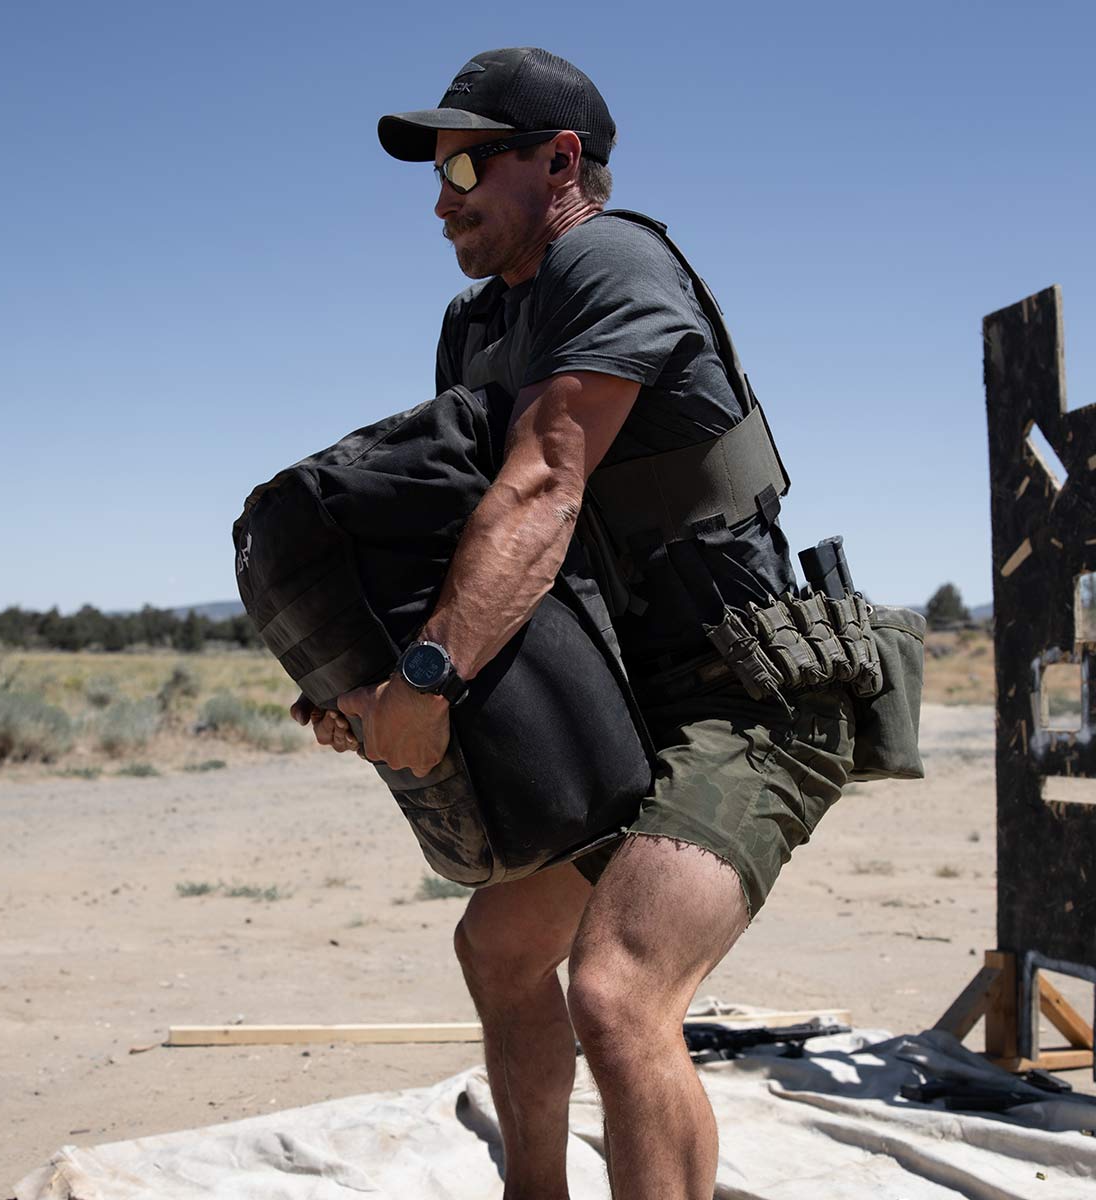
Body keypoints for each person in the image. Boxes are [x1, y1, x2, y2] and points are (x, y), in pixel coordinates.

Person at [292, 47, 855, 1200]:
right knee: (499, 950)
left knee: (616, 990)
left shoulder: (612, 261)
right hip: (626, 703)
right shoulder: (476, 325)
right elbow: (457, 526)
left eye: (463, 161)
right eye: (436, 167)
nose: (441, 194)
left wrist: (433, 676)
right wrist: (362, 678)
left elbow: (545, 484)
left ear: (558, 161)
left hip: (750, 701)